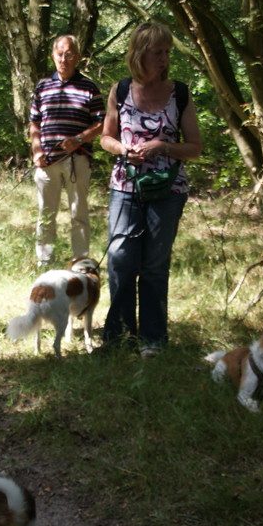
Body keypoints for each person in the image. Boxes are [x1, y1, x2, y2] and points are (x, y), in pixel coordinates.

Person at [99, 22, 202, 358]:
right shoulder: (122, 90)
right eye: (158, 52)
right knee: (120, 260)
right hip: (125, 186)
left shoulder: (180, 93)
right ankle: (120, 338)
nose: (164, 58)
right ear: (139, 53)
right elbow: (105, 138)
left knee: (155, 265)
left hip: (167, 189)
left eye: (168, 52)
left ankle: (153, 340)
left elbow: (195, 147)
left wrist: (162, 146)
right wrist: (123, 150)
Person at [28, 35, 105, 269]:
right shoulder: (42, 86)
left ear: (77, 57)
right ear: (53, 56)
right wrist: (37, 151)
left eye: (69, 54)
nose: (64, 59)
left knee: (79, 213)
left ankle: (80, 261)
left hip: (78, 160)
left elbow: (102, 123)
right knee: (46, 213)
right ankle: (44, 261)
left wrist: (79, 139)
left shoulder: (89, 86)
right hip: (47, 161)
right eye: (60, 54)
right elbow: (34, 124)